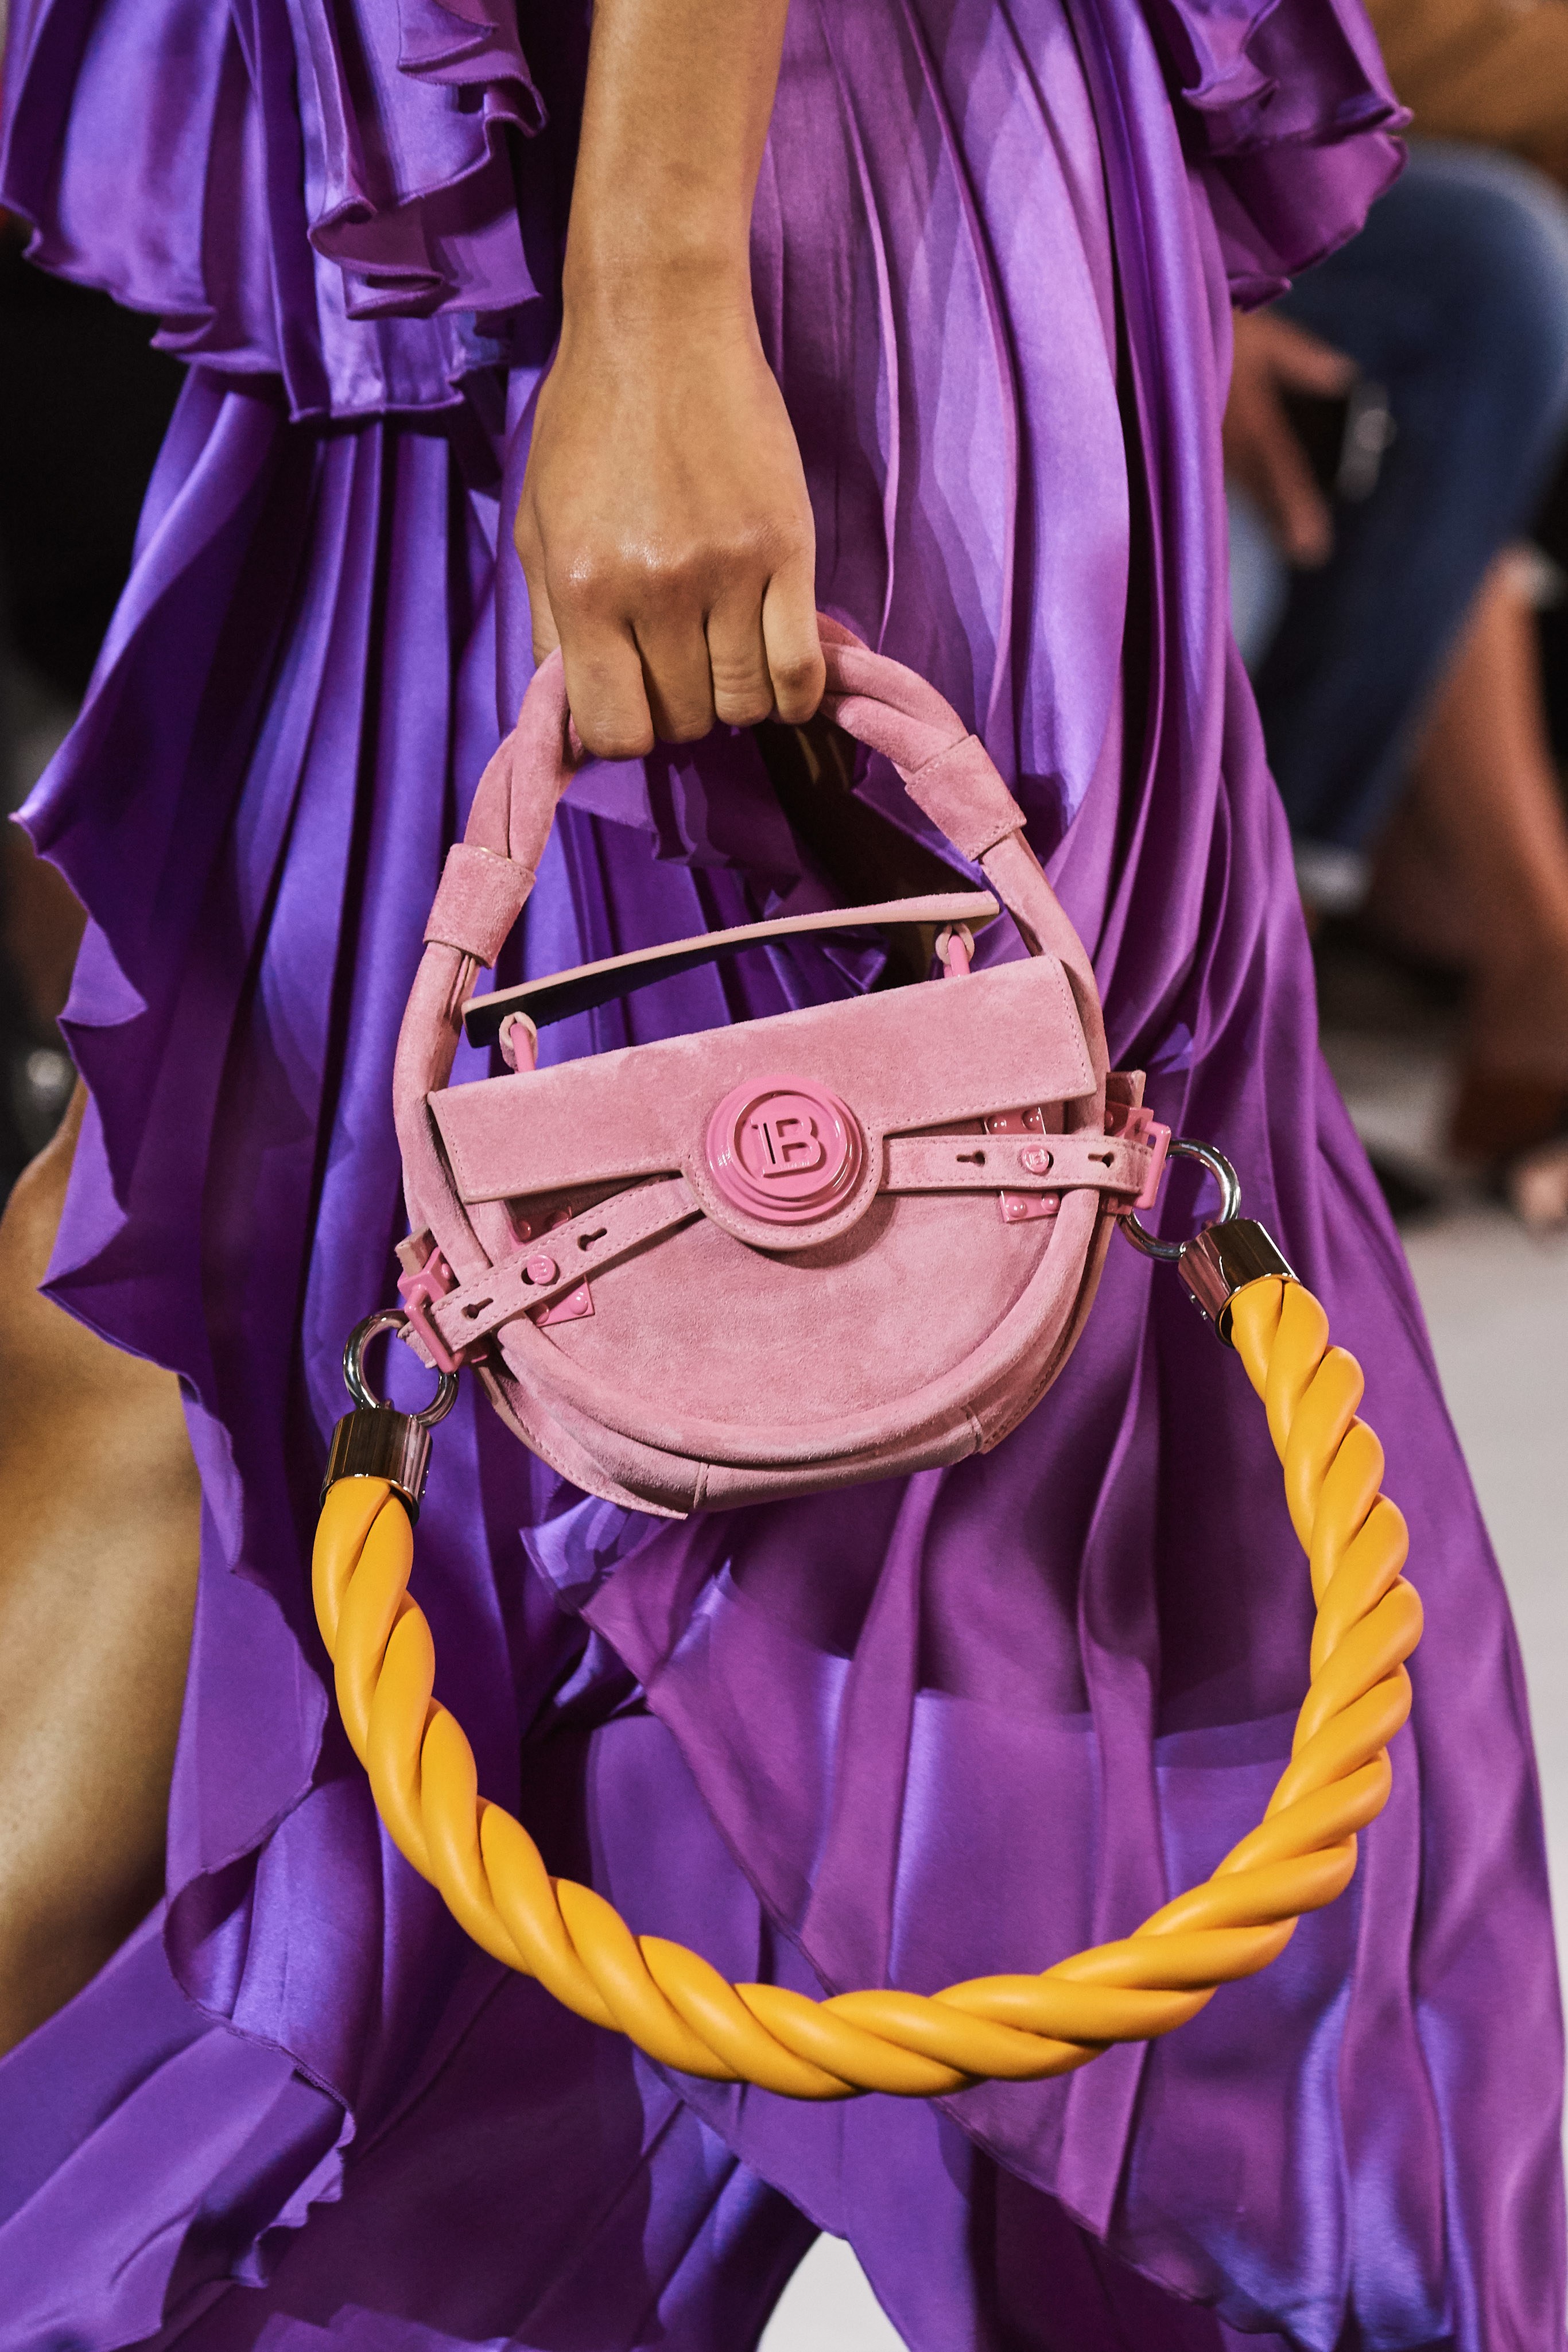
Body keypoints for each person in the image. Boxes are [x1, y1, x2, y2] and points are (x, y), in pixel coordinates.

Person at [0, 4, 1561, 2350]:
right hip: (582, 217)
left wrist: (652, 284)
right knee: (292, 1272)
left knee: (826, 1258)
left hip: (725, 196)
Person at [1221, 146, 1568, 1223]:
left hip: (1212, 177)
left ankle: (1521, 973)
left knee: (1500, 284)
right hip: (1077, 200)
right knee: (1492, 274)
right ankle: (1269, 990)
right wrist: (1170, 298)